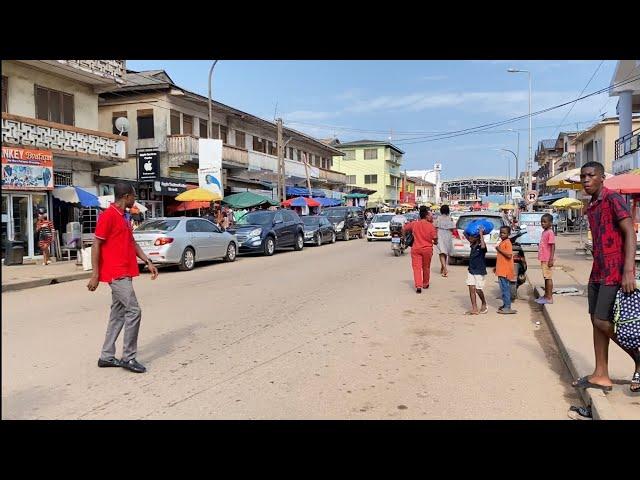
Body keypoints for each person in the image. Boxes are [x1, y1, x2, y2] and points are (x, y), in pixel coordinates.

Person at [571, 161, 640, 393]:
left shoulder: (612, 199)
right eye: (583, 176)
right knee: (595, 321)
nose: (586, 179)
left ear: (602, 178)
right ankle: (601, 374)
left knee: (603, 320)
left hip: (615, 270)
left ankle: (638, 356)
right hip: (598, 270)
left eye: (590, 175)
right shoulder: (591, 205)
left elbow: (629, 230)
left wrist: (629, 270)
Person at [87, 183, 159, 374]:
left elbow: (131, 242)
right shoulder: (108, 216)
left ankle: (106, 356)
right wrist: (95, 275)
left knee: (118, 314)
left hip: (126, 271)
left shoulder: (124, 217)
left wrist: (147, 261)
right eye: (134, 197)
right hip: (116, 273)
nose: (135, 200)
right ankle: (128, 357)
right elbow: (96, 245)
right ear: (126, 196)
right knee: (134, 311)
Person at [403, 206, 438, 294]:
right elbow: (435, 237)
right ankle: (425, 283)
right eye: (430, 215)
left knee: (416, 268)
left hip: (416, 249)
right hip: (427, 249)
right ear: (426, 216)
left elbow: (404, 228)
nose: (431, 217)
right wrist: (435, 242)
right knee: (426, 267)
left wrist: (404, 238)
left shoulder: (414, 224)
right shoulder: (430, 226)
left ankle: (418, 285)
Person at [466, 226, 488, 315]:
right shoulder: (472, 245)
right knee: (471, 288)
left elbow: (483, 246)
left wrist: (481, 234)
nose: (470, 238)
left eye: (472, 236)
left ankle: (484, 303)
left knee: (478, 289)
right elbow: (465, 233)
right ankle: (474, 308)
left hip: (479, 271)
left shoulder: (481, 246)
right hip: (471, 270)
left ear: (477, 238)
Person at [495, 226, 517, 314]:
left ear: (508, 234)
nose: (501, 234)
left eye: (504, 233)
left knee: (505, 289)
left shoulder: (507, 243)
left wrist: (499, 250)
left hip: (505, 271)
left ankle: (508, 306)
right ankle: (505, 305)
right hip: (501, 270)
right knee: (503, 288)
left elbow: (509, 255)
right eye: (501, 233)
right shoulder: (503, 242)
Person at [535, 213, 556, 305]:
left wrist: (551, 259)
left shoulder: (550, 232)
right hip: (543, 258)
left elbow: (552, 246)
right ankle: (546, 295)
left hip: (547, 259)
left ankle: (549, 297)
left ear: (550, 223)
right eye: (541, 222)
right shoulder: (544, 232)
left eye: (545, 222)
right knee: (545, 277)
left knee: (548, 278)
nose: (542, 224)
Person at [435, 205, 455, 278]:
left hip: (440, 234)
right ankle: (443, 267)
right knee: (445, 252)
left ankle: (444, 268)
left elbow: (435, 227)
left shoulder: (438, 218)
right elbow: (453, 228)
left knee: (441, 252)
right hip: (448, 235)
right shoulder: (450, 219)